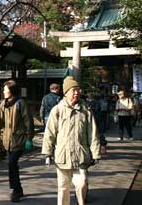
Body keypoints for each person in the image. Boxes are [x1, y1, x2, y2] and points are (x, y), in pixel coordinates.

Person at [42, 76, 101, 205]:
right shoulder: (57, 110)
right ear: (66, 92)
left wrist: (95, 153)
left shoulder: (86, 111)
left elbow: (93, 134)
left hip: (80, 155)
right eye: (73, 90)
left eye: (78, 90)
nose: (76, 93)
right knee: (63, 188)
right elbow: (49, 133)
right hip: (62, 156)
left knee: (82, 183)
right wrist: (47, 153)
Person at [0, 79, 34, 202]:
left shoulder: (21, 103)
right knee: (12, 165)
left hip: (19, 140)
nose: (3, 92)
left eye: (5, 90)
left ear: (12, 91)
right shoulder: (3, 104)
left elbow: (28, 122)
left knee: (12, 163)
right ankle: (18, 189)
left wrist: (29, 138)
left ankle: (15, 190)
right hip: (7, 140)